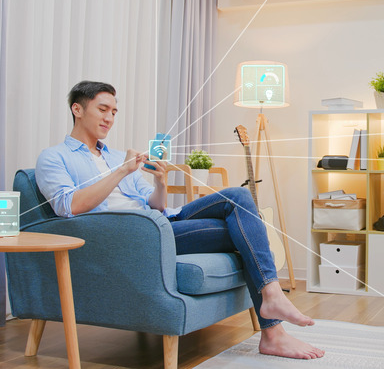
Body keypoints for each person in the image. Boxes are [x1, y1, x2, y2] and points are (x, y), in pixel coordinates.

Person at [36, 81, 324, 360]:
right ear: (77, 109)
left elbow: (156, 204)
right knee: (244, 229)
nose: (110, 118)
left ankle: (272, 302)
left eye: (114, 112)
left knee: (237, 196)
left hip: (162, 221)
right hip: (135, 235)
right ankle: (273, 329)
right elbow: (69, 206)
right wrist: (122, 171)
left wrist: (160, 182)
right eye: (103, 109)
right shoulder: (54, 157)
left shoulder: (114, 157)